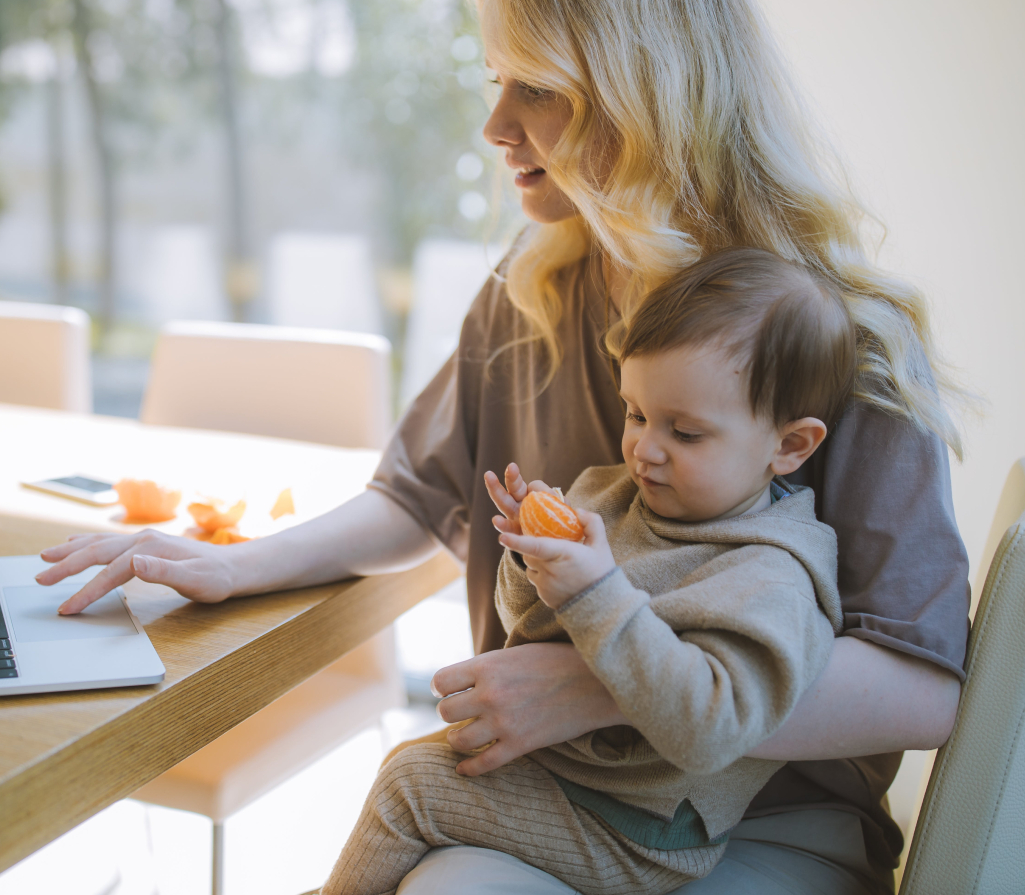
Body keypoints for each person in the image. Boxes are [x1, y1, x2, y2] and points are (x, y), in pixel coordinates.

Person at [36, 0, 968, 895]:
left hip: (764, 821)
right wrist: (236, 564)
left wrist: (599, 683)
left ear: (645, 93)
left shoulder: (840, 338)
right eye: (494, 82)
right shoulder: (533, 287)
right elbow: (415, 496)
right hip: (559, 786)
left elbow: (918, 689)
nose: (493, 126)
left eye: (538, 89)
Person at [319, 247, 855, 895]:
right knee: (417, 767)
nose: (643, 449)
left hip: (640, 828)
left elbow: (710, 730)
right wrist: (532, 558)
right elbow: (533, 627)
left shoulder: (771, 574)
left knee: (409, 788)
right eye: (635, 413)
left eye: (684, 433)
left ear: (789, 445)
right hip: (570, 778)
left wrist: (597, 592)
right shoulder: (614, 494)